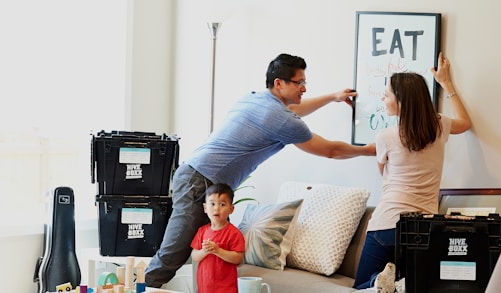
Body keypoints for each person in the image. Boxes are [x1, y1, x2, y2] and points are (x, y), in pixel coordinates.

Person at [145, 53, 377, 287]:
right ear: (279, 83)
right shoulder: (281, 119)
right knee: (173, 254)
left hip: (194, 174)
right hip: (201, 182)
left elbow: (295, 110)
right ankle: (142, 288)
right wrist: (370, 150)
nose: (304, 88)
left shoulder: (255, 98)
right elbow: (330, 150)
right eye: (300, 83)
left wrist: (332, 97)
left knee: (176, 252)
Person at [352, 52, 472, 292]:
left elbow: (383, 174)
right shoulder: (439, 126)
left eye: (387, 95)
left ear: (401, 101)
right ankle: (396, 285)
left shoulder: (386, 137)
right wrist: (446, 83)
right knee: (415, 287)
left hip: (386, 222)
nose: (383, 99)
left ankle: (378, 282)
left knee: (359, 289)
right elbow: (465, 122)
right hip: (423, 228)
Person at [190, 183, 245, 293]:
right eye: (212, 204)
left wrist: (218, 251)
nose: (216, 208)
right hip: (204, 286)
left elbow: (238, 258)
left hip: (226, 288)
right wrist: (204, 251)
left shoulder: (234, 233)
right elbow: (194, 256)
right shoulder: (202, 231)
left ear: (231, 209)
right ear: (205, 208)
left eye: (222, 204)